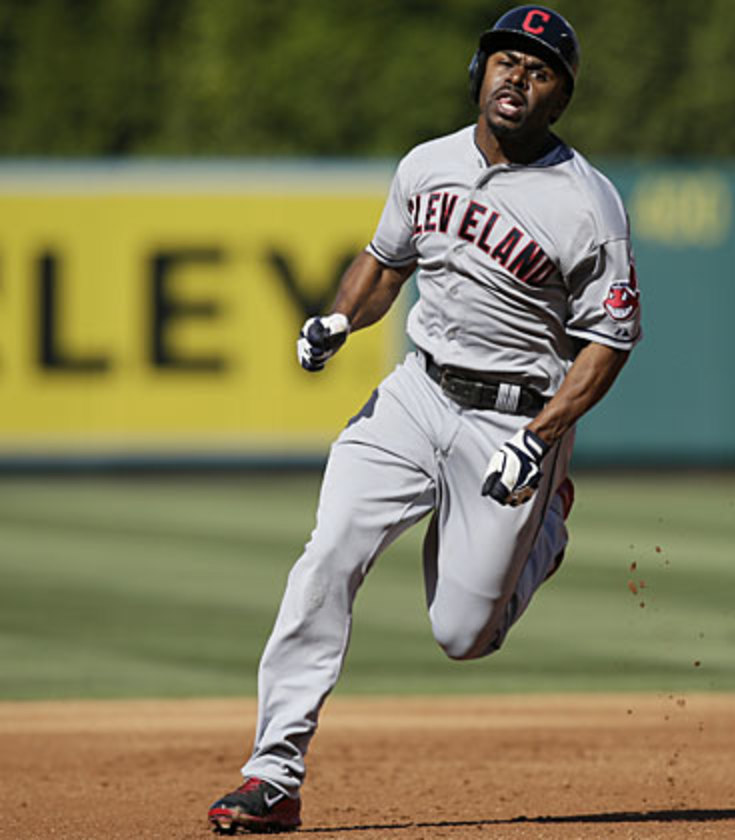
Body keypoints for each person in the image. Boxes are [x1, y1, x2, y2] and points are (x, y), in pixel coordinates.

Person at [207, 5, 641, 835]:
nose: (517, 76)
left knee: (463, 634)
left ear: (560, 98)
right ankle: (274, 772)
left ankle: (546, 525)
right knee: (328, 553)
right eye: (505, 59)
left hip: (513, 423)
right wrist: (340, 320)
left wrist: (543, 440)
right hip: (417, 395)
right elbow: (384, 263)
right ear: (479, 73)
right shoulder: (426, 164)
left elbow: (609, 342)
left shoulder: (589, 205)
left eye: (539, 69)